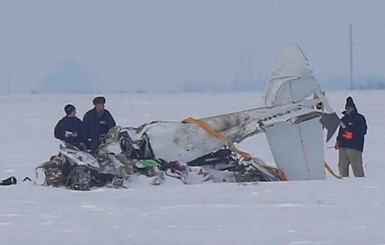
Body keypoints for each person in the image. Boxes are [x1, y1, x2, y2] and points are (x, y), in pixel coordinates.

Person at [335, 96, 367, 177]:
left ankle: (361, 183)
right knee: (342, 166)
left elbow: (363, 131)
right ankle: (343, 183)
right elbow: (340, 132)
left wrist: (353, 135)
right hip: (343, 146)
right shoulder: (343, 119)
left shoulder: (359, 118)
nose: (347, 110)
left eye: (349, 108)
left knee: (357, 166)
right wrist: (338, 141)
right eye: (346, 108)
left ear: (353, 108)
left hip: (354, 147)